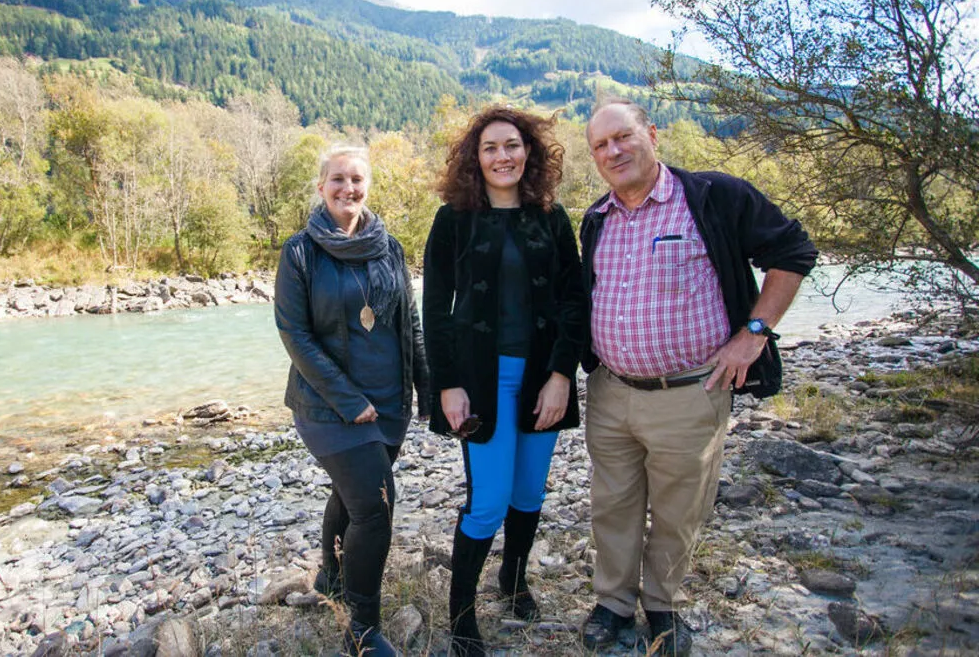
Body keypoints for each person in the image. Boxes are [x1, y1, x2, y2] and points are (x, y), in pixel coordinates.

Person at [578, 97, 818, 656]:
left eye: (623, 136)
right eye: (601, 145)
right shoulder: (596, 218)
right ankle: (613, 603)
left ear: (652, 134)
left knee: (679, 507)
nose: (614, 151)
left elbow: (793, 251)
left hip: (690, 390)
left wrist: (754, 332)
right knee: (612, 505)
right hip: (611, 391)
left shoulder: (713, 197)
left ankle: (663, 605)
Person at [422, 106, 585, 657]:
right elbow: (435, 309)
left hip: (542, 379)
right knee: (488, 502)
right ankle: (462, 617)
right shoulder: (453, 220)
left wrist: (562, 374)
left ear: (528, 151)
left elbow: (574, 301)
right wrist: (447, 385)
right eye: (490, 147)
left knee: (529, 492)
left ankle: (514, 583)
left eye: (511, 145)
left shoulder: (552, 218)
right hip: (481, 383)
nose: (502, 156)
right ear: (476, 157)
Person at [274, 145, 429, 657]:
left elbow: (409, 322)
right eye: (337, 179)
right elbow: (294, 334)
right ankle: (361, 628)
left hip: (389, 405)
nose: (348, 188)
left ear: (368, 186)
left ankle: (331, 577)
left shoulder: (391, 248)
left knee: (352, 495)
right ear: (321, 187)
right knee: (375, 508)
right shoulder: (300, 252)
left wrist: (425, 387)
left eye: (357, 179)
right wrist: (348, 399)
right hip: (328, 407)